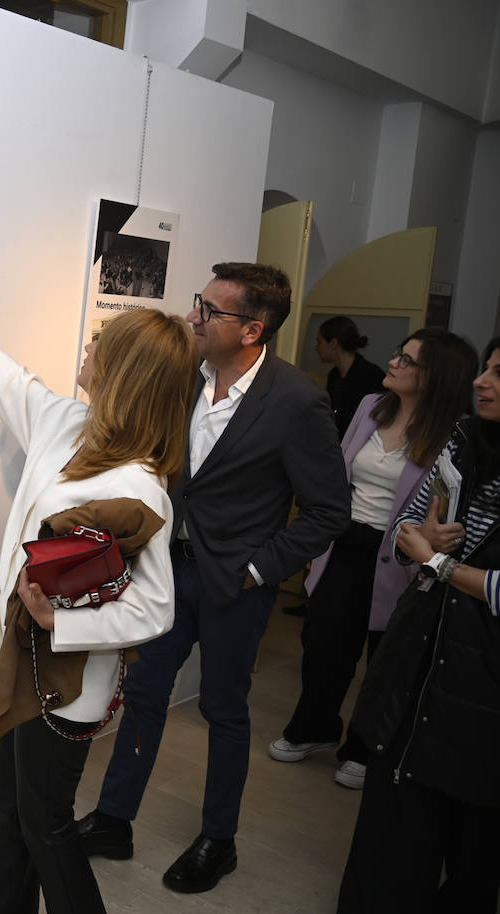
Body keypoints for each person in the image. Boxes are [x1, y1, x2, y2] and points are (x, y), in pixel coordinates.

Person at [0, 291, 199, 914]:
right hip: (23, 666)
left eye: (101, 345)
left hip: (65, 683)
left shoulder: (139, 485)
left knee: (44, 827)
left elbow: (156, 609)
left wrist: (57, 620)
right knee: (11, 817)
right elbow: (12, 383)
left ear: (123, 374)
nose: (87, 348)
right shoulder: (67, 423)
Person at [77, 263, 350, 894]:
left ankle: (218, 840)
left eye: (210, 310)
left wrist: (259, 569)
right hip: (167, 572)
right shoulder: (184, 377)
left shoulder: (296, 400)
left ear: (253, 330)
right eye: (199, 302)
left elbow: (329, 511)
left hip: (236, 585)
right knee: (144, 694)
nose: (194, 316)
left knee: (223, 711)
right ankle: (114, 820)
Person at [270, 329, 478, 788]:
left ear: (436, 376)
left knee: (386, 656)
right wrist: (317, 544)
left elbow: (452, 506)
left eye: (408, 360)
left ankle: (365, 748)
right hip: (344, 543)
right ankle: (314, 727)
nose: (394, 362)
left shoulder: (457, 432)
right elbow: (337, 476)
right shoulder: (370, 406)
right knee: (324, 643)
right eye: (398, 353)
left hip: (402, 555)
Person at [337, 337, 500, 913]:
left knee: (472, 837)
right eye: (487, 369)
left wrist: (439, 563)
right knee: (395, 815)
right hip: (422, 650)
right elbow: (407, 525)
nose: (483, 382)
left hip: (483, 677)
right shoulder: (464, 439)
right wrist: (424, 542)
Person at [316, 315, 385, 439]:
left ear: (333, 343)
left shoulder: (372, 376)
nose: (316, 348)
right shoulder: (334, 375)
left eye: (319, 342)